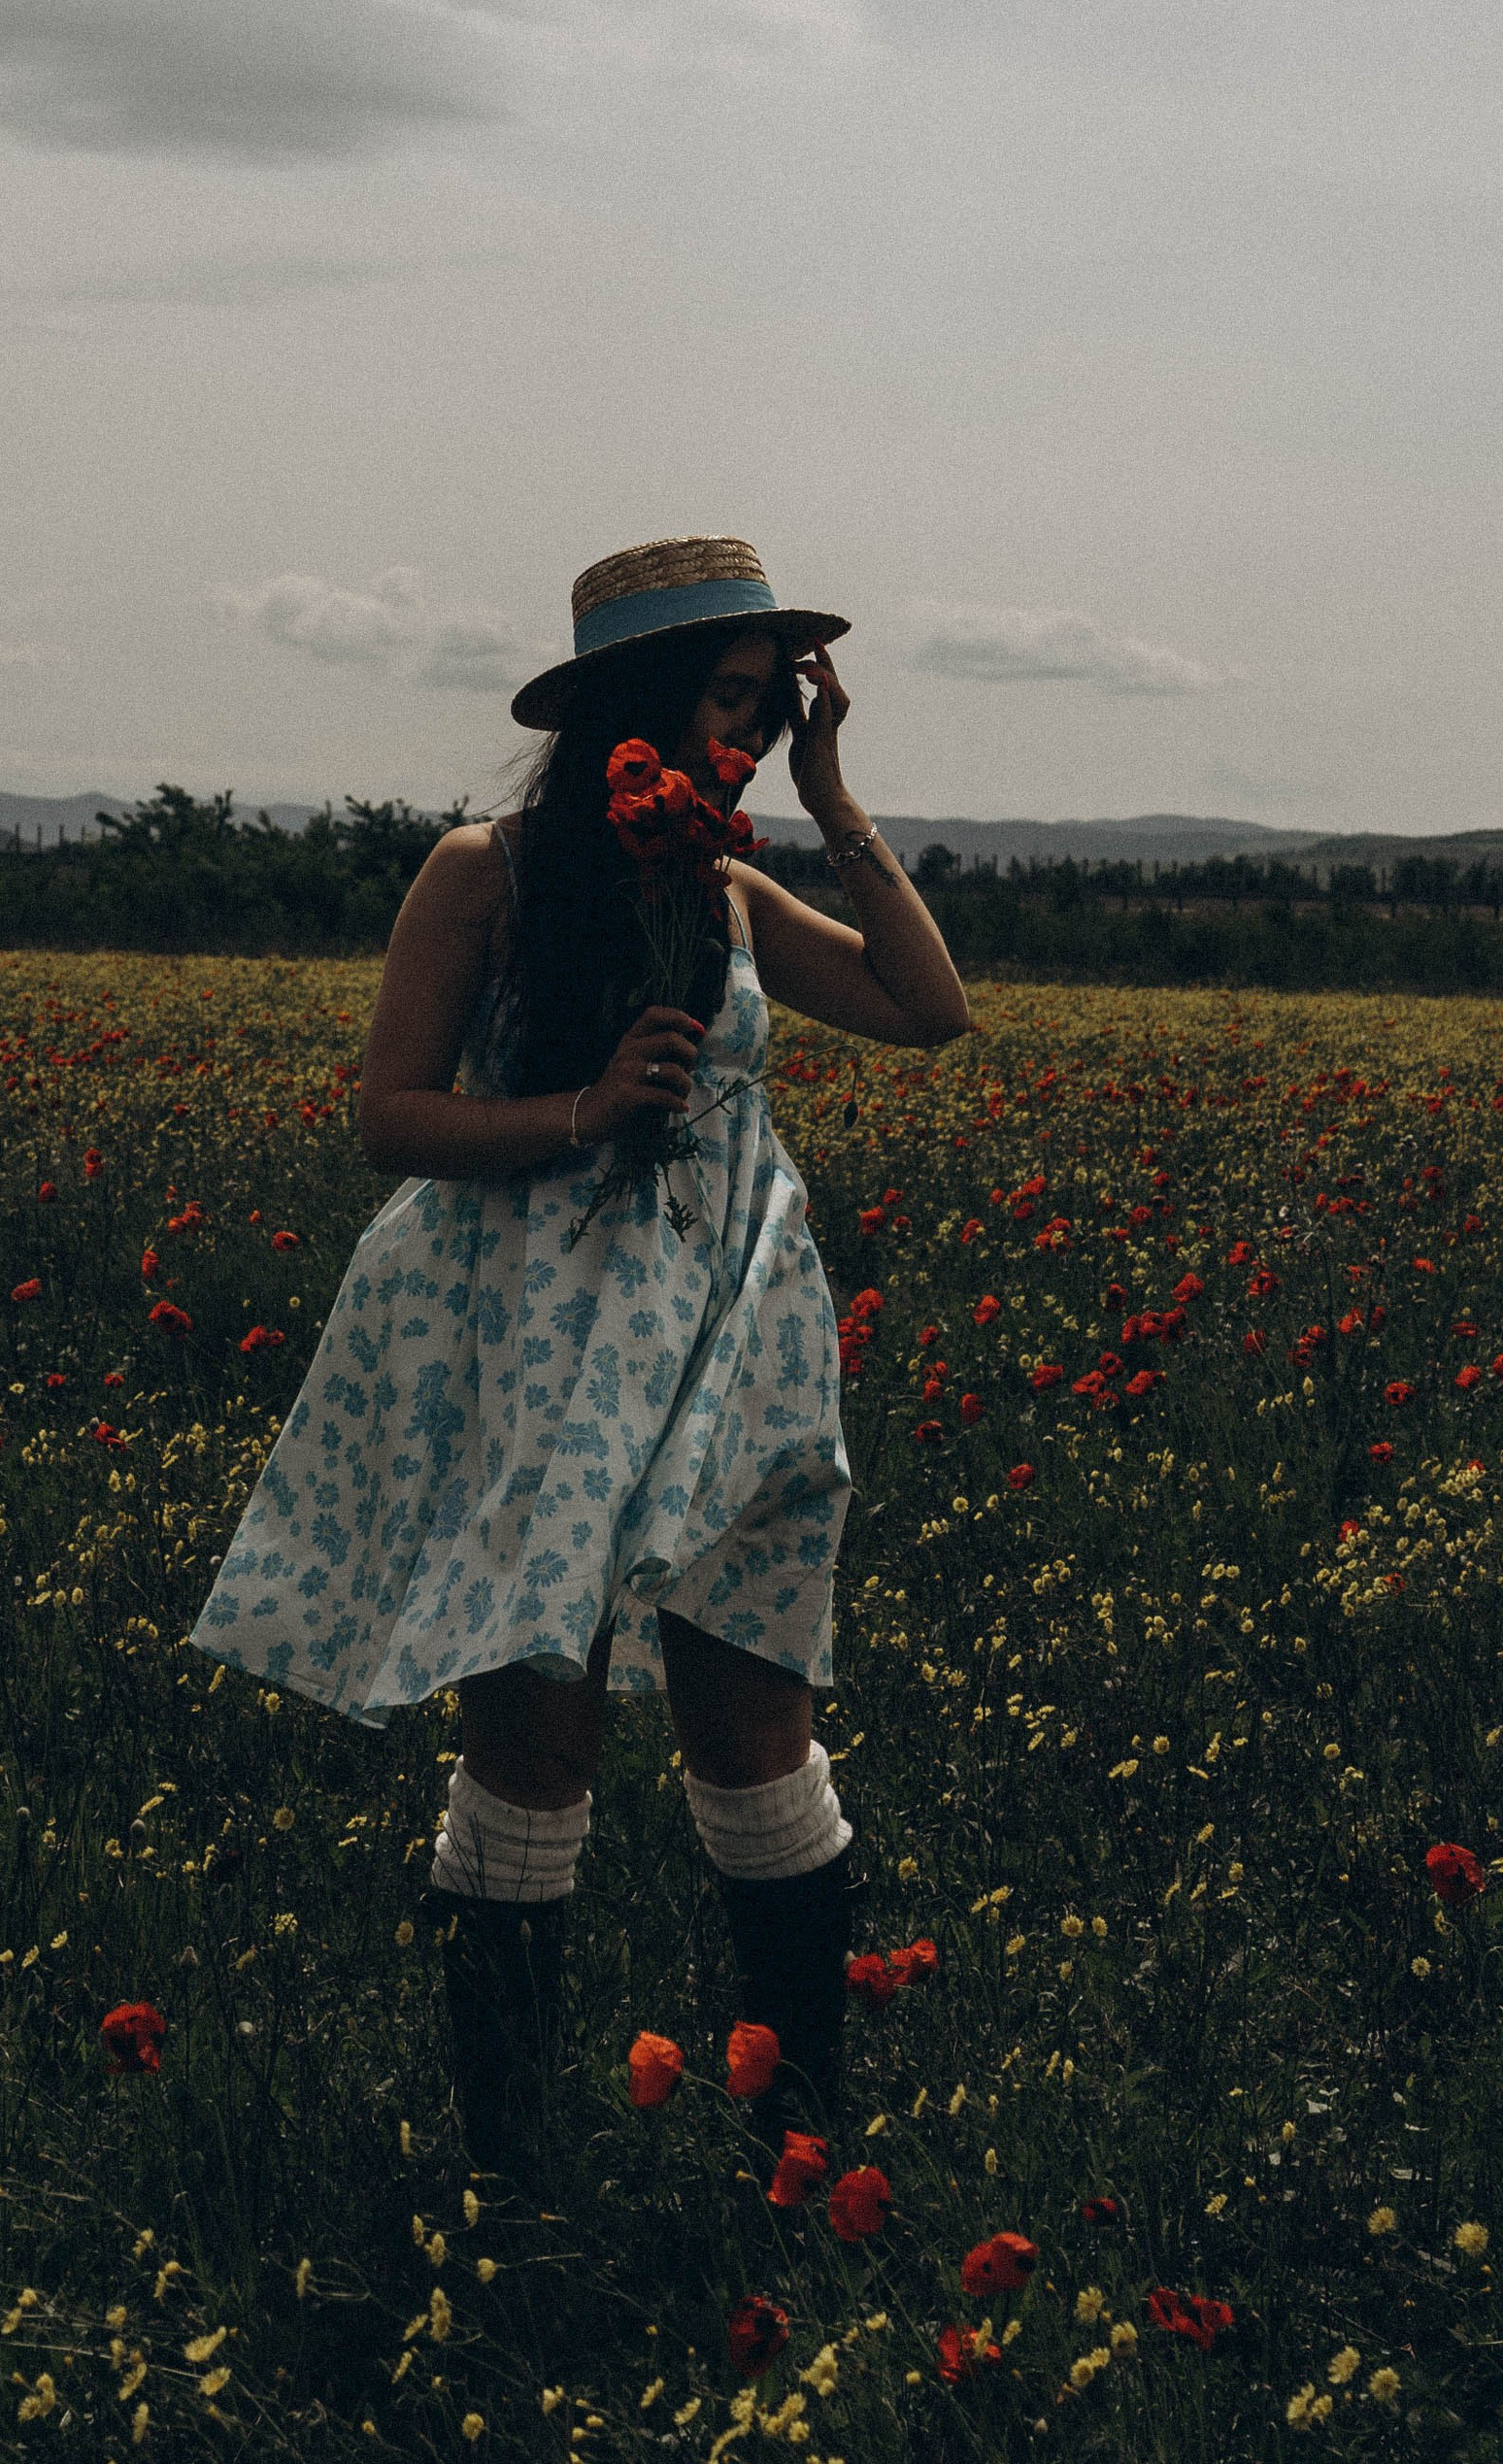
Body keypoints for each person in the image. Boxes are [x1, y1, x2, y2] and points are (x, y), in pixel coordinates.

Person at [186, 532, 971, 2191]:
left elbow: (926, 1007)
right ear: (633, 702)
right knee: (536, 1747)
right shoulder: (487, 869)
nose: (742, 741)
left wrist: (835, 799)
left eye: (767, 711)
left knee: (756, 1722)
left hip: (735, 1334)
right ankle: (507, 2175)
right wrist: (584, 1113)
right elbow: (388, 1112)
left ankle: (803, 2155)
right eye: (730, 704)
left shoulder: (732, 882)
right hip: (533, 1338)